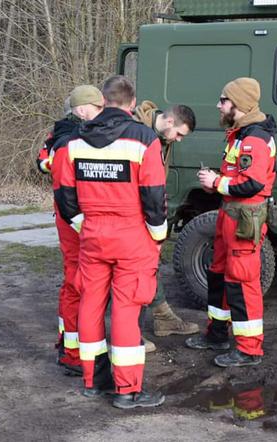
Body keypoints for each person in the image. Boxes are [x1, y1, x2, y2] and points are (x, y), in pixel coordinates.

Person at [54, 75, 166, 409]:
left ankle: (93, 381)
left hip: (92, 235)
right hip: (132, 236)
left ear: (103, 101)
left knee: (90, 304)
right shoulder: (145, 139)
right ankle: (127, 390)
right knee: (126, 310)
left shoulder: (74, 140)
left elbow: (64, 194)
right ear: (132, 104)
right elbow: (154, 195)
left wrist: (82, 224)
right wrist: (157, 236)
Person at [185, 77, 277, 368]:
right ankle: (216, 333)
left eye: (223, 100)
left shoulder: (254, 140)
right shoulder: (239, 135)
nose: (218, 105)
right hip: (230, 214)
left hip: (244, 218)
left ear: (238, 104)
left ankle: (249, 350)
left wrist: (217, 182)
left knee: (242, 281)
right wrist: (216, 183)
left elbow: (252, 184)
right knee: (218, 274)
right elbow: (237, 178)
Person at [47, 86, 104, 374]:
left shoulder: (61, 136)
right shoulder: (69, 140)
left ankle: (68, 343)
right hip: (74, 218)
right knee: (76, 283)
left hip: (73, 215)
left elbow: (44, 163)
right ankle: (72, 352)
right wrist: (83, 223)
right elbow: (58, 178)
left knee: (75, 282)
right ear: (82, 110)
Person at [133, 101, 199, 351]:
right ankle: (130, 335)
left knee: (149, 267)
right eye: (180, 134)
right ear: (170, 122)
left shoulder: (163, 139)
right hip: (131, 213)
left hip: (148, 210)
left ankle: (163, 317)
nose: (179, 140)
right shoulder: (138, 132)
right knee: (133, 273)